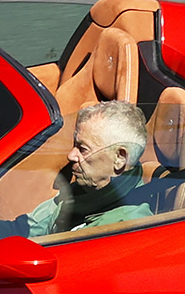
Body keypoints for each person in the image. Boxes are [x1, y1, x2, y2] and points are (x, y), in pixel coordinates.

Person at [24, 100, 153, 237]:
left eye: (83, 149)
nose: (71, 156)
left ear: (119, 158)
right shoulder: (83, 193)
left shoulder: (125, 227)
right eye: (75, 145)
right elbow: (26, 228)